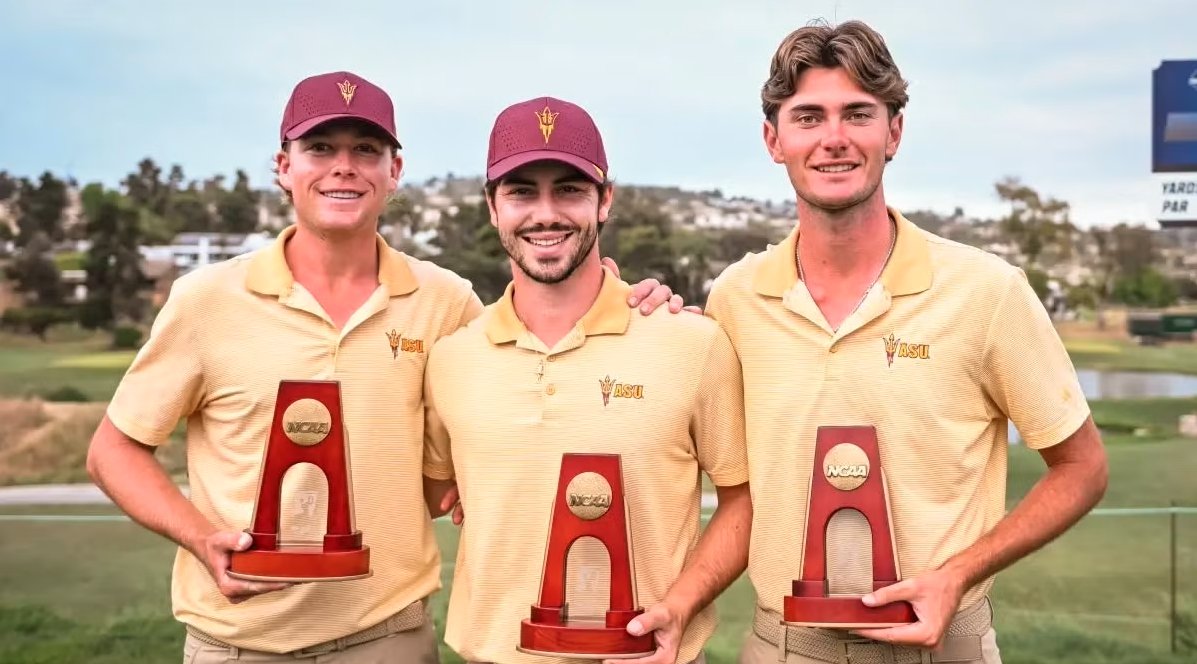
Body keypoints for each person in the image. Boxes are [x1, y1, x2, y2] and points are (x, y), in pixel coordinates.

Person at [85, 72, 682, 663]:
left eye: (366, 150)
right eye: (320, 147)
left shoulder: (446, 303)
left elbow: (542, 335)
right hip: (234, 639)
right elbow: (114, 451)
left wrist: (636, 302)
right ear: (282, 165)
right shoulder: (207, 299)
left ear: (393, 171)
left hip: (388, 637)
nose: (344, 166)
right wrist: (199, 537)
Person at [703, 21, 1109, 664]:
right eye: (808, 117)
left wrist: (957, 576)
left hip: (946, 644)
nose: (833, 139)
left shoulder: (988, 292)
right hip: (783, 645)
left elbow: (1083, 468)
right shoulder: (734, 298)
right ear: (772, 139)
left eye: (857, 114)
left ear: (893, 131)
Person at [421, 96, 752, 664]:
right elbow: (435, 491)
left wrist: (681, 603)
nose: (545, 212)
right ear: (492, 207)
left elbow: (743, 500)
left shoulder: (691, 342)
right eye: (522, 191)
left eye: (569, 189)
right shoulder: (452, 358)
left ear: (605, 201)